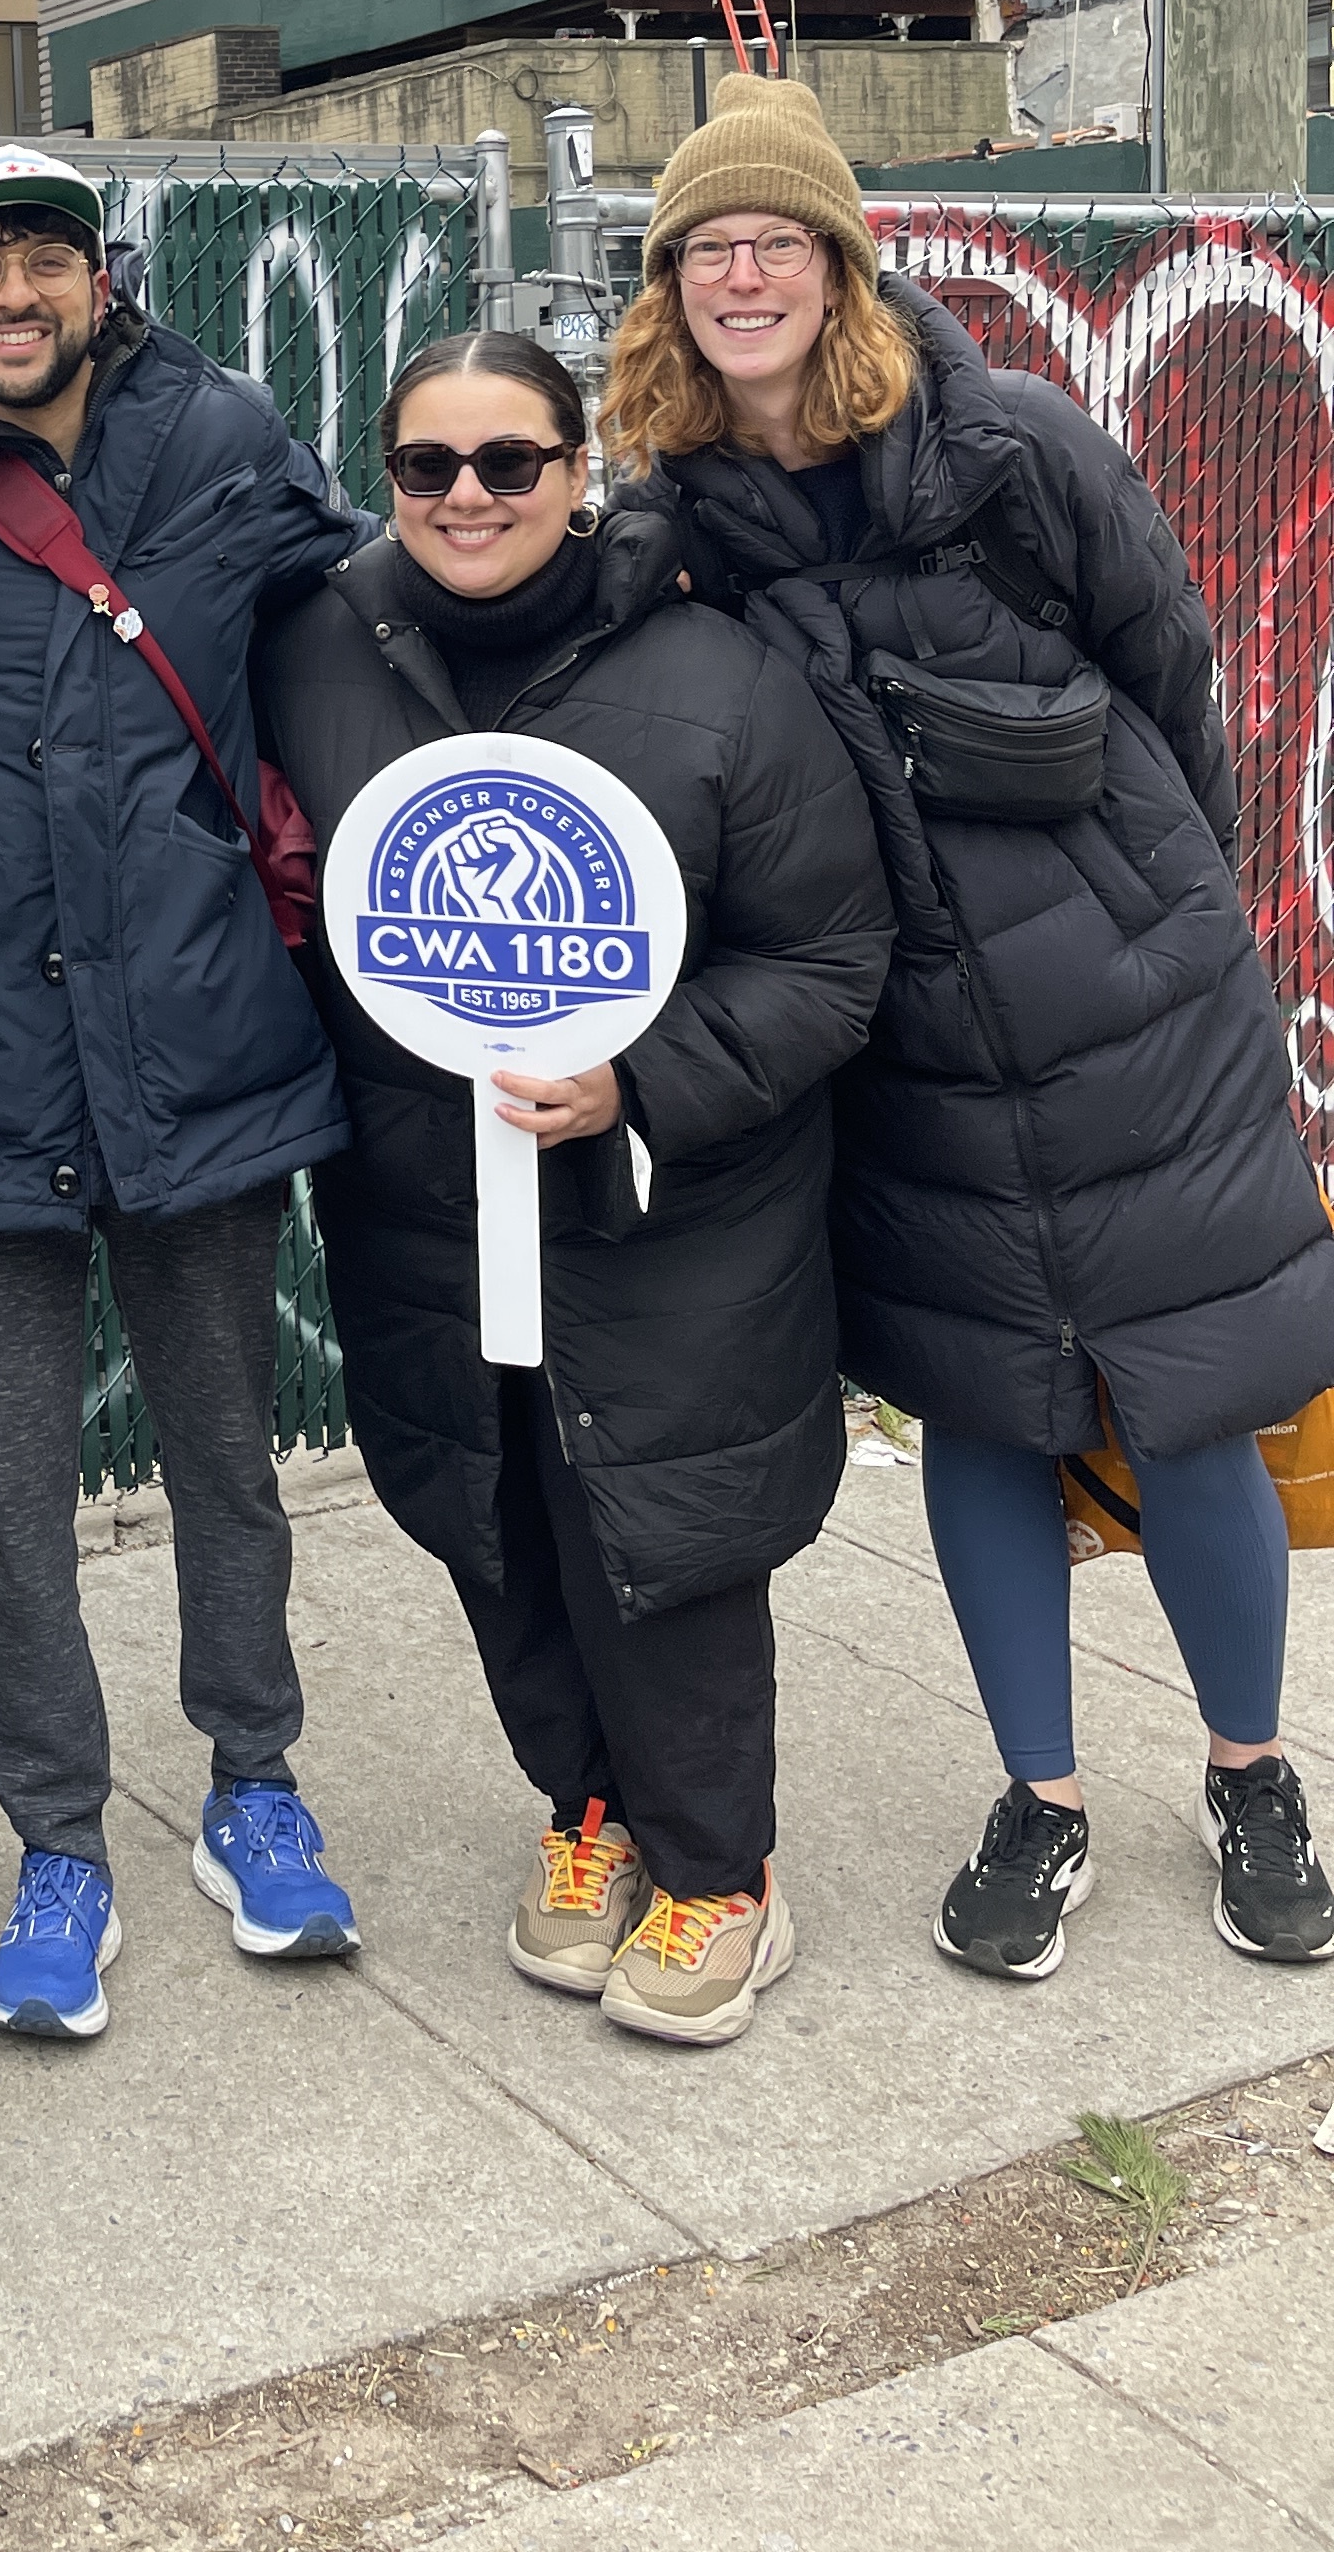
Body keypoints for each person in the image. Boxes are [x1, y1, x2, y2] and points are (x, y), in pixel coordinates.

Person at [604, 70, 1334, 1975]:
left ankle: (1252, 1772)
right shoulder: (676, 524)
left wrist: (1161, 917)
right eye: (705, 248)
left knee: (1190, 1397)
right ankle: (1043, 1796)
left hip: (1137, 1010)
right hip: (904, 1040)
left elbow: (1171, 671)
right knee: (987, 1407)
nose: (742, 276)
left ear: (842, 266)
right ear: (669, 285)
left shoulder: (1009, 444)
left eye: (778, 241)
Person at [256, 330, 892, 2045]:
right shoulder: (316, 646)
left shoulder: (716, 670)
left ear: (577, 471)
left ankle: (723, 1874)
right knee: (497, 1515)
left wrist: (639, 1083)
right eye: (428, 466)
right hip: (428, 1195)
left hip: (671, 1207)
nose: (468, 497)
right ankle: (588, 1807)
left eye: (510, 462)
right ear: (388, 477)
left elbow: (831, 956)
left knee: (663, 1535)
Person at [0, 142, 363, 2040]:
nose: (14, 294)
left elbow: (381, 615)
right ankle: (56, 1842)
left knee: (227, 1456)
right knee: (9, 1496)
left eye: (44, 259)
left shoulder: (224, 437)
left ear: (101, 277)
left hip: (201, 1047)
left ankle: (255, 1784)